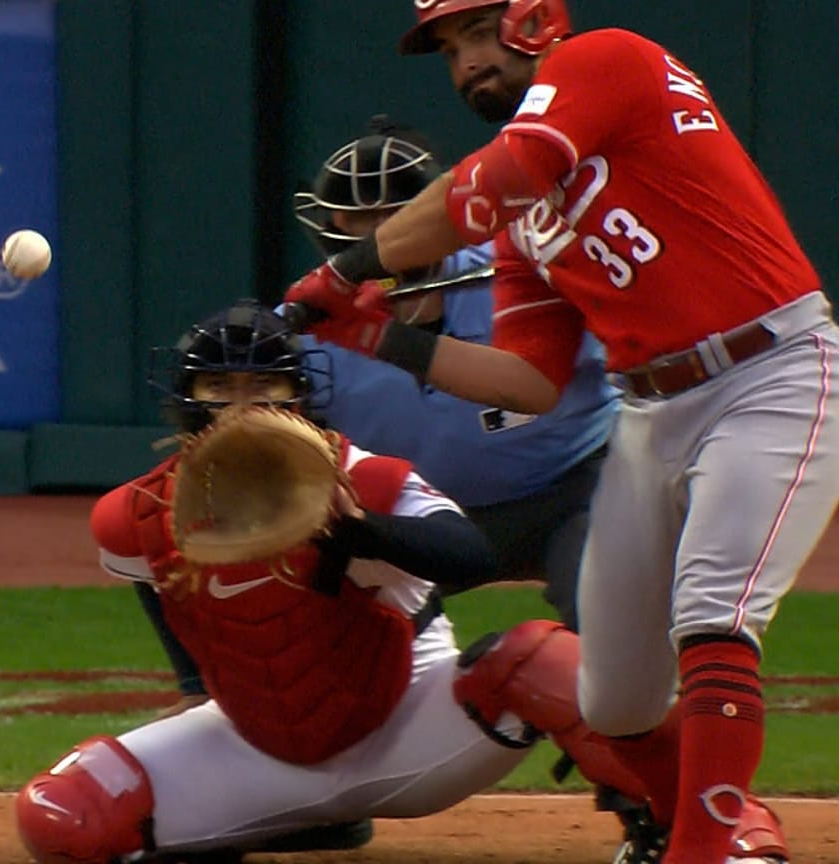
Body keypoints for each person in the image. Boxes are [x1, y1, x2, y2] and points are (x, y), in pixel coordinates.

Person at [282, 2, 839, 862]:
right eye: (448, 47)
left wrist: (348, 266)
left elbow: (490, 181)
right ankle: (702, 826)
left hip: (772, 367)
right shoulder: (529, 220)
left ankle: (706, 850)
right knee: (616, 700)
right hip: (652, 411)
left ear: (534, 18)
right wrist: (376, 337)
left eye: (475, 32)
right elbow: (530, 382)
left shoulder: (605, 61)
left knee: (714, 615)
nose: (465, 62)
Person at [14, 300, 786, 864]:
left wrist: (355, 531)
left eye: (265, 391)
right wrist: (192, 682)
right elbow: (154, 583)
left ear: (300, 401)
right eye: (222, 391)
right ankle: (291, 821)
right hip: (258, 746)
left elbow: (471, 555)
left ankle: (720, 824)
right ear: (188, 405)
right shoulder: (135, 516)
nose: (244, 411)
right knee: (61, 817)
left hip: (407, 724)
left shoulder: (359, 477)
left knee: (537, 658)